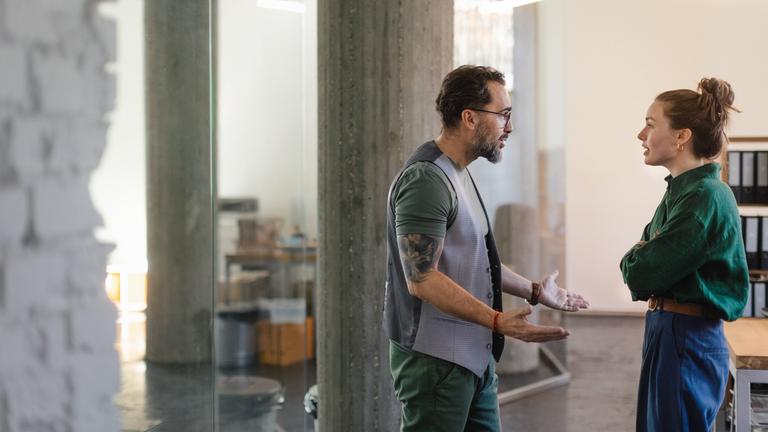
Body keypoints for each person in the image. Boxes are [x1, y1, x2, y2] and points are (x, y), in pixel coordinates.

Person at [383, 65, 590, 431]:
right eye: (503, 114)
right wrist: (498, 321)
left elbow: (477, 259)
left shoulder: (457, 172)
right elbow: (421, 279)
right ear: (469, 118)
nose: (509, 126)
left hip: (473, 358)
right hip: (436, 363)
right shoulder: (426, 181)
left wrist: (536, 291)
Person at [620, 77, 749, 431]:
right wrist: (643, 253)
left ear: (682, 136)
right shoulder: (683, 191)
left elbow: (640, 271)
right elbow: (641, 259)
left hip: (685, 335)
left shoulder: (703, 196)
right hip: (670, 331)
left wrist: (642, 253)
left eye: (650, 125)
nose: (640, 135)